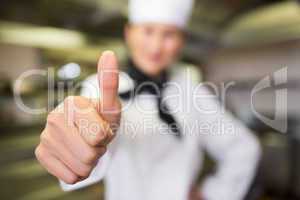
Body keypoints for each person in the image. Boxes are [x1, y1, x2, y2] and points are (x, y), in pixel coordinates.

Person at [35, 0, 261, 199]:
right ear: (129, 33)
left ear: (181, 41)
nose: (155, 47)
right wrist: (80, 141)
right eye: (148, 30)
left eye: (169, 34)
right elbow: (85, 150)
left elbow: (244, 148)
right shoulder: (102, 86)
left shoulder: (192, 91)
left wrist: (213, 194)